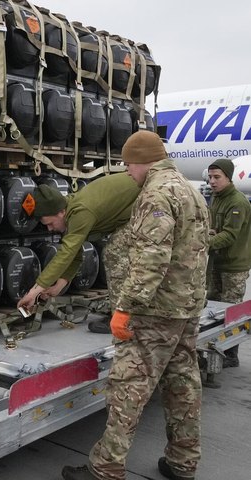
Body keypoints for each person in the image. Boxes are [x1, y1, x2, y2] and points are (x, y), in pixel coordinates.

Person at [62, 130, 209, 480]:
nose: (127, 172)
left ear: (143, 161)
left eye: (128, 165)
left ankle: (106, 469)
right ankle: (182, 462)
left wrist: (125, 306)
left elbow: (151, 257)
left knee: (129, 386)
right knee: (183, 385)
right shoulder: (191, 189)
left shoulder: (156, 193)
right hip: (186, 307)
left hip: (154, 310)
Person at [16, 173, 141, 334]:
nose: (50, 229)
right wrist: (57, 287)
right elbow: (75, 253)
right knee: (115, 249)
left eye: (50, 223)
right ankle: (125, 312)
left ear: (61, 212)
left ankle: (124, 318)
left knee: (114, 253)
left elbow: (66, 253)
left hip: (149, 203)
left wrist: (35, 291)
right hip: (135, 209)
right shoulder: (71, 211)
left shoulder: (80, 212)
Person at [205, 158, 251, 368]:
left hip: (234, 266)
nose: (212, 182)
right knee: (213, 310)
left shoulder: (237, 202)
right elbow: (217, 227)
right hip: (217, 262)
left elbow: (230, 235)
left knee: (231, 313)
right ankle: (214, 349)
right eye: (210, 177)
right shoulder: (217, 197)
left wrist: (203, 243)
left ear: (228, 177)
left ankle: (230, 355)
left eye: (217, 177)